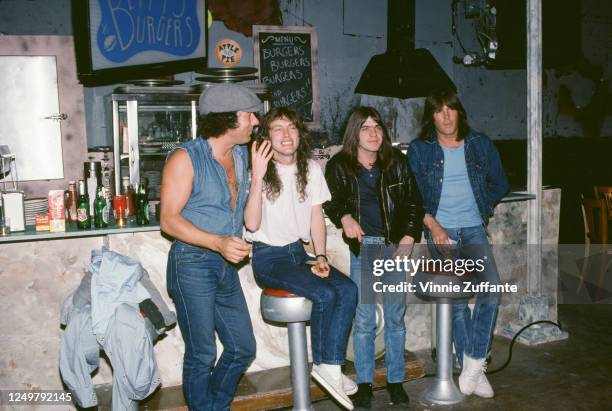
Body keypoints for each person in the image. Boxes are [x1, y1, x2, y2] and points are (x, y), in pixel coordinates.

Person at [244, 107, 358, 410]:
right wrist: (256, 177)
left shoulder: (311, 168)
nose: (285, 134)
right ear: (266, 137)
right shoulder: (260, 171)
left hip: (299, 252)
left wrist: (320, 255)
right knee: (323, 293)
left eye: (291, 128)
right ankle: (326, 366)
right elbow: (251, 225)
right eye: (277, 128)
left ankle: (331, 366)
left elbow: (316, 218)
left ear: (300, 134)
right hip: (269, 258)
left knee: (348, 289)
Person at [160, 83, 262, 410]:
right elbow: (168, 220)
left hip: (224, 266)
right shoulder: (184, 158)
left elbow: (247, 215)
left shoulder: (242, 155)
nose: (255, 122)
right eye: (249, 115)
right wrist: (217, 242)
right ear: (227, 118)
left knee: (242, 348)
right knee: (203, 353)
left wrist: (258, 179)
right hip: (192, 264)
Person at [407, 88, 509, 398]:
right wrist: (433, 225)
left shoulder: (480, 144)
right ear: (432, 117)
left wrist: (482, 209)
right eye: (439, 111)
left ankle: (474, 364)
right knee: (457, 300)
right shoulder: (420, 149)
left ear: (459, 112)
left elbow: (500, 183)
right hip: (442, 230)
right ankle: (473, 371)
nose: (446, 115)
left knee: (491, 288)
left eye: (451, 109)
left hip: (474, 229)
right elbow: (411, 197)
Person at [324, 106, 424, 409]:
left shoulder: (397, 163)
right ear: (354, 133)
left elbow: (414, 203)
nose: (373, 133)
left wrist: (408, 236)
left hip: (394, 247)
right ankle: (365, 383)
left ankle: (395, 381)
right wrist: (344, 216)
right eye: (365, 127)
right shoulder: (339, 165)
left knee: (395, 318)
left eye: (377, 126)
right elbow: (331, 200)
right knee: (365, 319)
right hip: (365, 247)